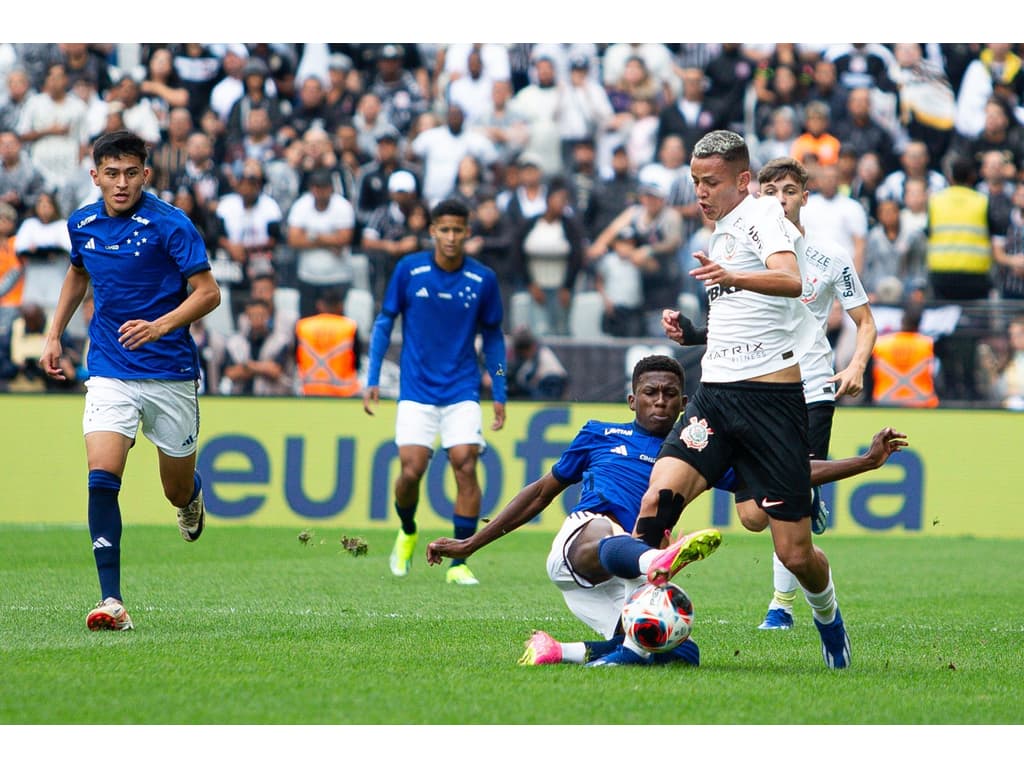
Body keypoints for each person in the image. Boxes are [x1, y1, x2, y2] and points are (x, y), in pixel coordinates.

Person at [426, 354, 908, 667]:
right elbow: (540, 492)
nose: (660, 401)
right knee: (604, 529)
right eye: (650, 393)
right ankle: (652, 558)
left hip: (624, 584)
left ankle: (563, 652)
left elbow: (787, 475)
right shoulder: (599, 433)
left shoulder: (698, 454)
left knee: (675, 654)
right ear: (631, 399)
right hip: (583, 546)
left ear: (684, 402)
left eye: (670, 394)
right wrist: (470, 543)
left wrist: (865, 462)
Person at [606, 130, 852, 670]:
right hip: (714, 397)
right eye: (694, 181)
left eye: (710, 181)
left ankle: (828, 619)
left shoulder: (765, 214)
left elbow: (789, 279)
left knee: (794, 551)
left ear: (743, 180)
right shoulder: (720, 232)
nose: (700, 191)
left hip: (772, 404)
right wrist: (692, 329)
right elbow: (741, 316)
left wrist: (733, 275)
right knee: (655, 503)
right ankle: (634, 640)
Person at [39, 130, 221, 631]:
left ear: (147, 173)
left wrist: (161, 325)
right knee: (102, 476)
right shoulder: (82, 222)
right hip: (110, 371)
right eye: (111, 174)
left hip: (170, 373)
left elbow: (208, 293)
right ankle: (112, 601)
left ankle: (191, 501)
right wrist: (54, 334)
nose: (121, 184)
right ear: (94, 175)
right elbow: (79, 272)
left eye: (131, 173)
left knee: (175, 488)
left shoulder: (171, 225)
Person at [363, 198, 507, 587]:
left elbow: (493, 337)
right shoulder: (409, 270)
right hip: (416, 390)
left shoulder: (483, 280)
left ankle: (458, 562)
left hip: (462, 388)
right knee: (412, 470)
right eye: (444, 229)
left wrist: (500, 386)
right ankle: (408, 529)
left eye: (457, 230)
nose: (450, 237)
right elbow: (384, 321)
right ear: (432, 231)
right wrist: (372, 376)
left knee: (465, 463)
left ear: (467, 233)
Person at [869, 301, 939, 408]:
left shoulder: (882, 343)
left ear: (902, 321)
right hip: (922, 401)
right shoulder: (927, 344)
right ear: (919, 323)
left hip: (885, 400)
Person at [221, 296, 294, 396]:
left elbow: (275, 371)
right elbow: (230, 373)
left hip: (273, 397)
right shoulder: (235, 343)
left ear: (268, 316)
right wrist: (263, 368)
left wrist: (248, 366)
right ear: (247, 316)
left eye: (261, 315)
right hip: (241, 398)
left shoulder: (281, 341)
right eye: (253, 315)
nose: (257, 319)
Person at [294, 288, 361, 397]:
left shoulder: (303, 326)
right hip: (343, 393)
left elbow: (296, 358)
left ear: (319, 305)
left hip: (309, 391)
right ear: (340, 306)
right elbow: (357, 362)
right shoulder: (349, 326)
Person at [505, 325, 568, 400]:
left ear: (532, 346)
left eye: (522, 350)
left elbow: (549, 397)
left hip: (550, 390)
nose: (520, 354)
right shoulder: (525, 359)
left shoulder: (546, 360)